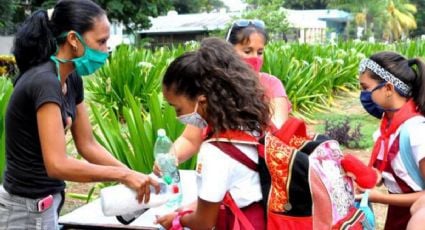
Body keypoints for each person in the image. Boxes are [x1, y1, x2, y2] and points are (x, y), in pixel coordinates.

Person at [0, 0, 158, 228]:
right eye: (101, 42)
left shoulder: (71, 78)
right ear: (74, 39)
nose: (106, 50)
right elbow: (57, 165)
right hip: (24, 209)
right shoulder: (45, 81)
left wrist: (133, 175)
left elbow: (87, 144)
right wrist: (122, 176)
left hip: (47, 203)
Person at [155, 37, 270, 229]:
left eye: (178, 108)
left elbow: (203, 223)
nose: (178, 117)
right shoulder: (251, 127)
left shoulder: (215, 151)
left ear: (202, 101)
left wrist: (177, 220)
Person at [160, 19, 291, 167]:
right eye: (247, 51)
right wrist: (169, 158)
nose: (255, 57)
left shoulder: (271, 84)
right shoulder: (214, 89)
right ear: (229, 52)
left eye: (260, 52)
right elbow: (190, 139)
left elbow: (278, 134)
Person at [357, 51, 425, 230]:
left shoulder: (416, 132)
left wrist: (378, 197)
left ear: (388, 88)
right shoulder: (388, 125)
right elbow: (387, 171)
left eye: (365, 88)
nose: (363, 95)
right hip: (398, 216)